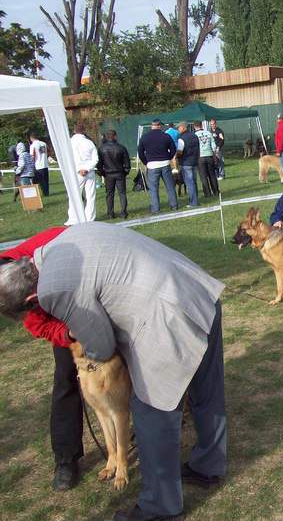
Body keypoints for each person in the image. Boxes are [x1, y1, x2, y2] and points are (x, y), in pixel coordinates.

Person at [0, 222, 227, 521]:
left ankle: (161, 508)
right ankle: (209, 466)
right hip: (196, 287)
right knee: (206, 391)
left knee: (152, 411)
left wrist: (87, 359)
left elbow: (102, 345)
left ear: (30, 299)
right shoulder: (56, 243)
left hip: (168, 313)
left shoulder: (54, 290)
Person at [0, 227, 84, 492]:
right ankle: (66, 459)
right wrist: (68, 333)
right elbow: (39, 326)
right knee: (66, 379)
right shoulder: (11, 292)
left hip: (91, 286)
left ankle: (146, 426)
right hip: (64, 318)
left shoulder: (58, 242)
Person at [137, 119, 179, 214]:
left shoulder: (144, 137)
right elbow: (173, 149)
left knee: (153, 188)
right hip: (165, 164)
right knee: (170, 186)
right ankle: (174, 205)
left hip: (152, 165)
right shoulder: (166, 136)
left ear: (152, 126)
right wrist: (168, 157)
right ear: (159, 126)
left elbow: (140, 152)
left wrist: (146, 162)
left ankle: (155, 209)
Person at [66, 123, 99, 224]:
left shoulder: (69, 142)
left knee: (74, 195)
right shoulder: (89, 142)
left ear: (74, 131)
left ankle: (73, 218)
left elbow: (69, 158)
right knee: (90, 195)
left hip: (76, 172)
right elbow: (95, 158)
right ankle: (89, 218)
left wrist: (79, 169)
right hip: (89, 171)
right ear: (84, 131)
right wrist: (87, 168)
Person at [97, 130, 131, 219]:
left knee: (109, 194)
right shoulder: (121, 148)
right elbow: (127, 163)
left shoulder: (102, 149)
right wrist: (126, 172)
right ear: (115, 136)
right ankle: (123, 213)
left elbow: (99, 163)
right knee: (122, 193)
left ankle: (110, 213)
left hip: (108, 174)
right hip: (120, 173)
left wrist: (101, 173)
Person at [176, 122, 200, 207]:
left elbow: (180, 151)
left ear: (183, 128)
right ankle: (196, 199)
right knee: (194, 182)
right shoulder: (195, 136)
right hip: (195, 161)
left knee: (190, 183)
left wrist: (176, 157)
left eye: (178, 128)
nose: (178, 130)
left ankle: (193, 203)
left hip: (186, 163)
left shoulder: (181, 138)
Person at [194, 121, 219, 197]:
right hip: (209, 156)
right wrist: (214, 154)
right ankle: (216, 191)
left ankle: (207, 193)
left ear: (195, 127)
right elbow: (214, 146)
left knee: (203, 177)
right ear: (202, 125)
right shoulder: (208, 133)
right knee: (212, 175)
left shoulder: (194, 135)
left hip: (200, 157)